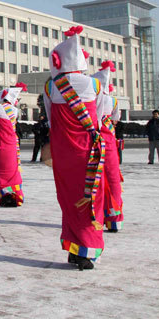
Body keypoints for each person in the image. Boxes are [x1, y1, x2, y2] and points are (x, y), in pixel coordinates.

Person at [42, 27, 106, 270]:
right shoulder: (95, 85)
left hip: (63, 151)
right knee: (90, 198)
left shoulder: (51, 87)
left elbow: (51, 120)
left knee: (68, 198)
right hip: (88, 151)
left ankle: (73, 246)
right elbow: (98, 119)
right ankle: (87, 249)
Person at [93, 64, 123, 232]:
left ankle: (96, 215)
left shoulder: (91, 97)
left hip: (95, 140)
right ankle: (114, 218)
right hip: (109, 140)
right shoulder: (113, 100)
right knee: (112, 177)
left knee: (95, 179)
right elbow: (115, 119)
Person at [0, 84, 26, 207]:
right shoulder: (15, 111)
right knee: (12, 170)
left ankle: (4, 195)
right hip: (11, 144)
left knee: (0, 171)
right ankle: (14, 195)